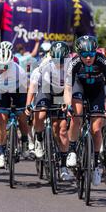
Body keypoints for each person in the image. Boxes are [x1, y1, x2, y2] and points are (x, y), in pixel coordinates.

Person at [63, 35, 106, 186]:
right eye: (84, 55)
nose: (88, 58)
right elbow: (67, 88)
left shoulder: (103, 61)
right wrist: (68, 105)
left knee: (96, 129)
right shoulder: (73, 62)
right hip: (79, 87)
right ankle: (72, 150)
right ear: (79, 54)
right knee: (76, 116)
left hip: (96, 91)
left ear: (96, 52)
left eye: (91, 54)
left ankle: (96, 161)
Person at [25, 42, 72, 181]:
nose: (59, 64)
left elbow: (70, 89)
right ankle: (39, 138)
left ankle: (63, 166)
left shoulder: (71, 65)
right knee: (41, 112)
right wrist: (28, 104)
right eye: (56, 61)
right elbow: (33, 86)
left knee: (62, 129)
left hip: (62, 93)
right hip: (46, 91)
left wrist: (67, 103)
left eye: (61, 61)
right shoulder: (44, 64)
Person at [0, 45, 29, 169]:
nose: (3, 68)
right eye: (0, 65)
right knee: (1, 121)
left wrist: (26, 105)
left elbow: (27, 89)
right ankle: (2, 154)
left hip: (18, 90)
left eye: (6, 66)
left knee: (22, 115)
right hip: (1, 92)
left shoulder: (19, 71)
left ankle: (25, 140)